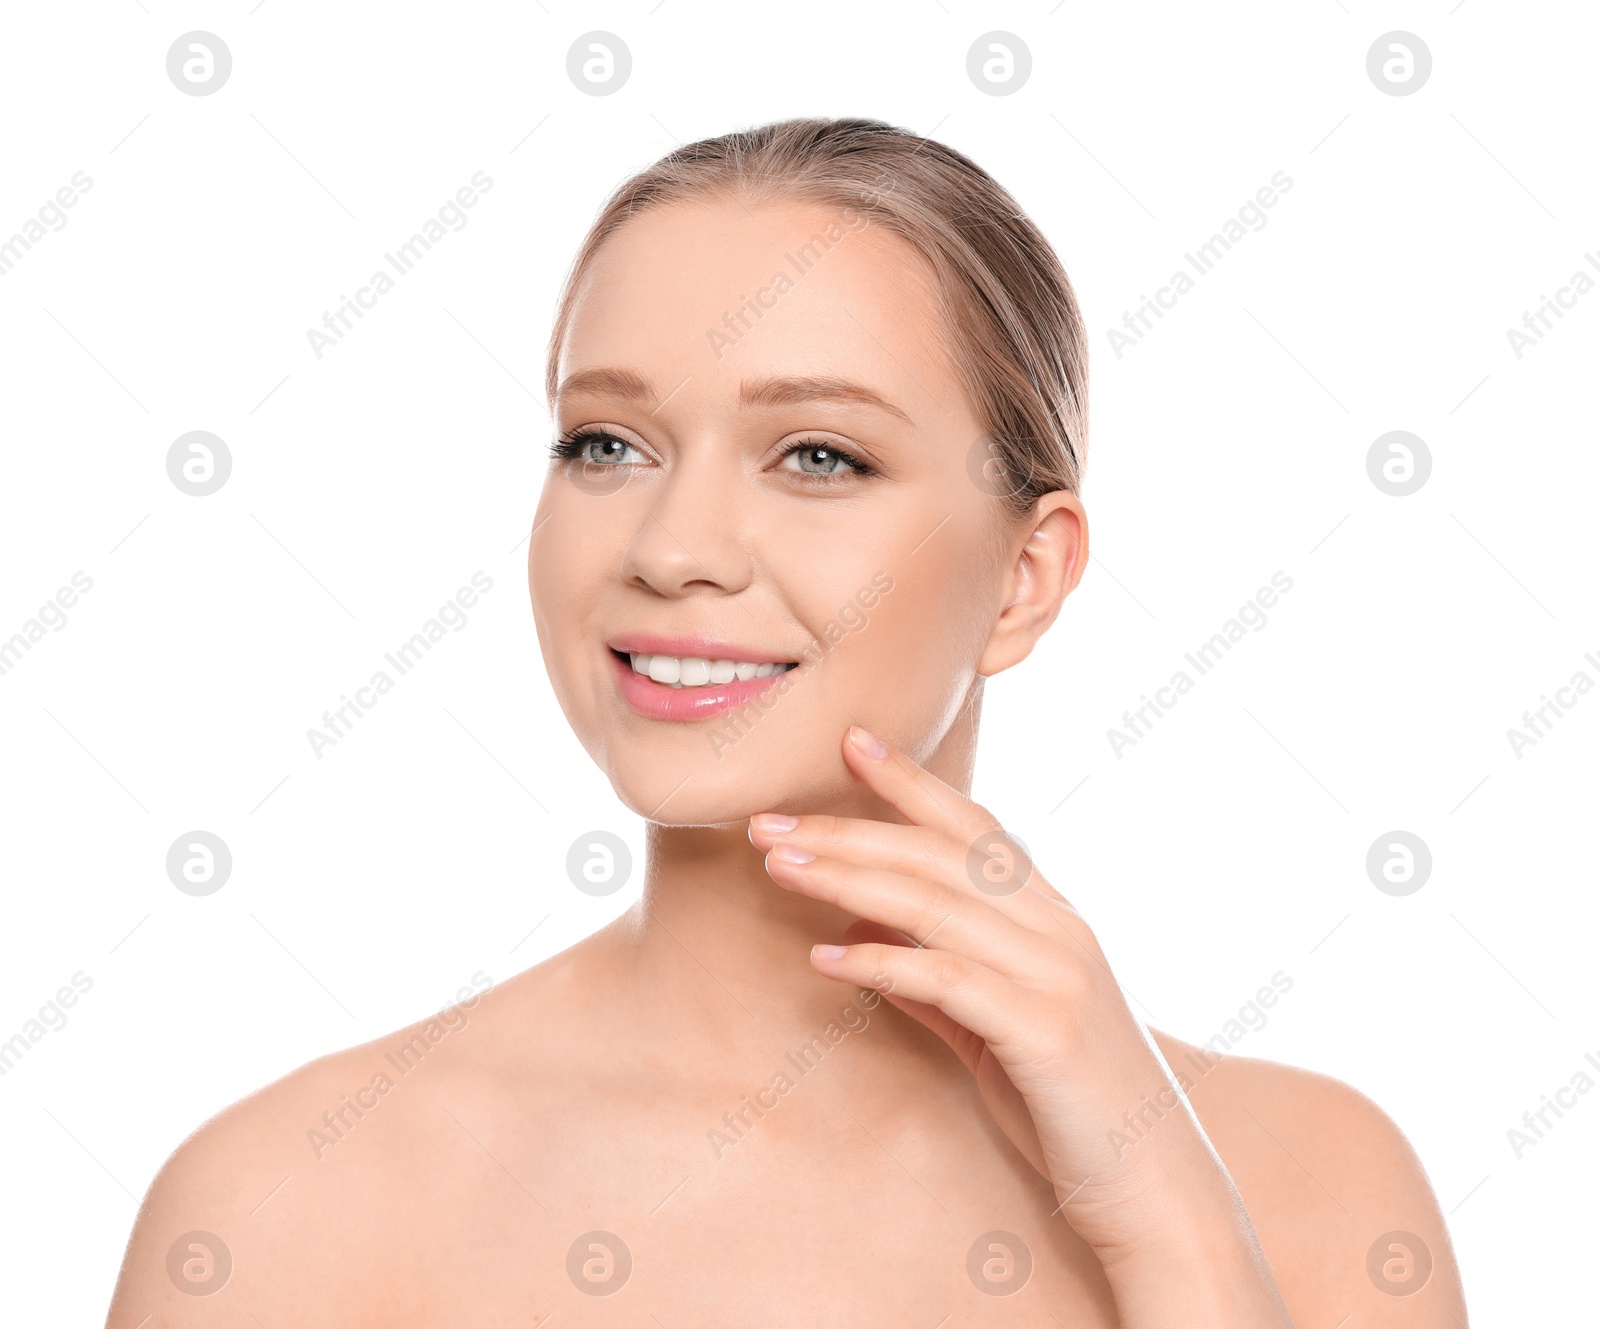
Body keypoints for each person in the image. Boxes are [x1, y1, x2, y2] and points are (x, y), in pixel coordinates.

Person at [105, 117, 1468, 1326]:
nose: (674, 545)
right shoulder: (285, 1206)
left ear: (1025, 575)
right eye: (608, 443)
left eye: (820, 454)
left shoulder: (1316, 1188)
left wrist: (1169, 1216)